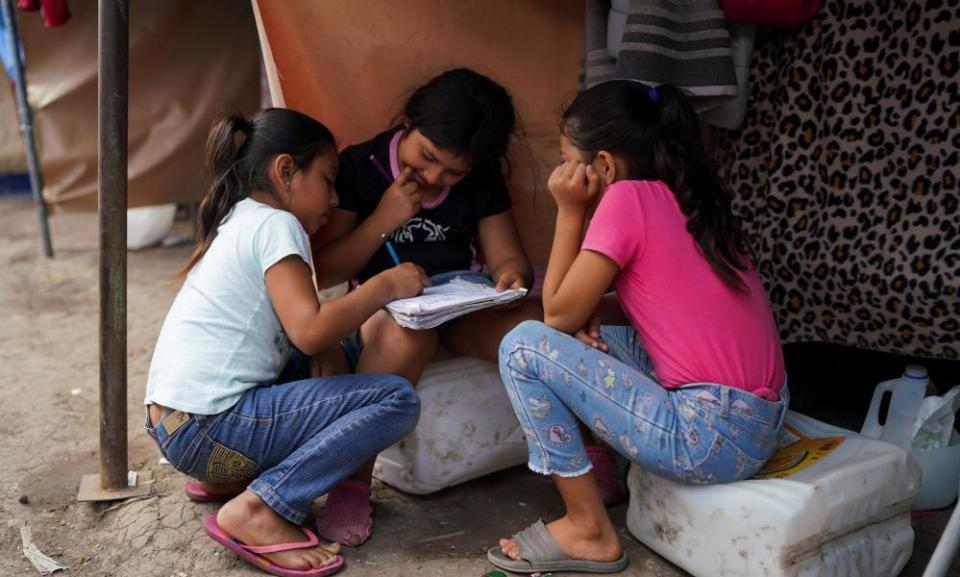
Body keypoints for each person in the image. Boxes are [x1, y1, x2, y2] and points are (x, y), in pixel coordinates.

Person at [487, 81, 788, 575]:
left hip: (707, 436)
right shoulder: (691, 197)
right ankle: (608, 473)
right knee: (599, 337)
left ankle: (587, 529)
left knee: (523, 347)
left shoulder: (625, 199)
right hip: (757, 421)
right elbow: (669, 307)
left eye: (567, 160)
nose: (562, 174)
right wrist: (592, 313)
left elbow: (556, 315)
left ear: (603, 165)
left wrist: (570, 212)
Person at [144, 109, 427, 577]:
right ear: (285, 171)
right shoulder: (278, 225)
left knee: (339, 356)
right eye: (328, 180)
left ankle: (229, 479)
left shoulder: (239, 218)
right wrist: (385, 286)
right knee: (396, 399)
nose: (334, 199)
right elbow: (310, 329)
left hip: (176, 426)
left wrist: (322, 347)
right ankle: (260, 508)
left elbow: (297, 334)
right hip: (211, 426)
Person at [309, 67, 544, 546]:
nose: (435, 177)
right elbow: (325, 269)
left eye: (454, 171)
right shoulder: (363, 165)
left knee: (536, 326)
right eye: (427, 157)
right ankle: (352, 481)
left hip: (460, 305)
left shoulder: (481, 181)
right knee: (405, 335)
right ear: (409, 122)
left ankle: (579, 448)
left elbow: (507, 257)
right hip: (387, 310)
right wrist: (385, 218)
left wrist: (509, 279)